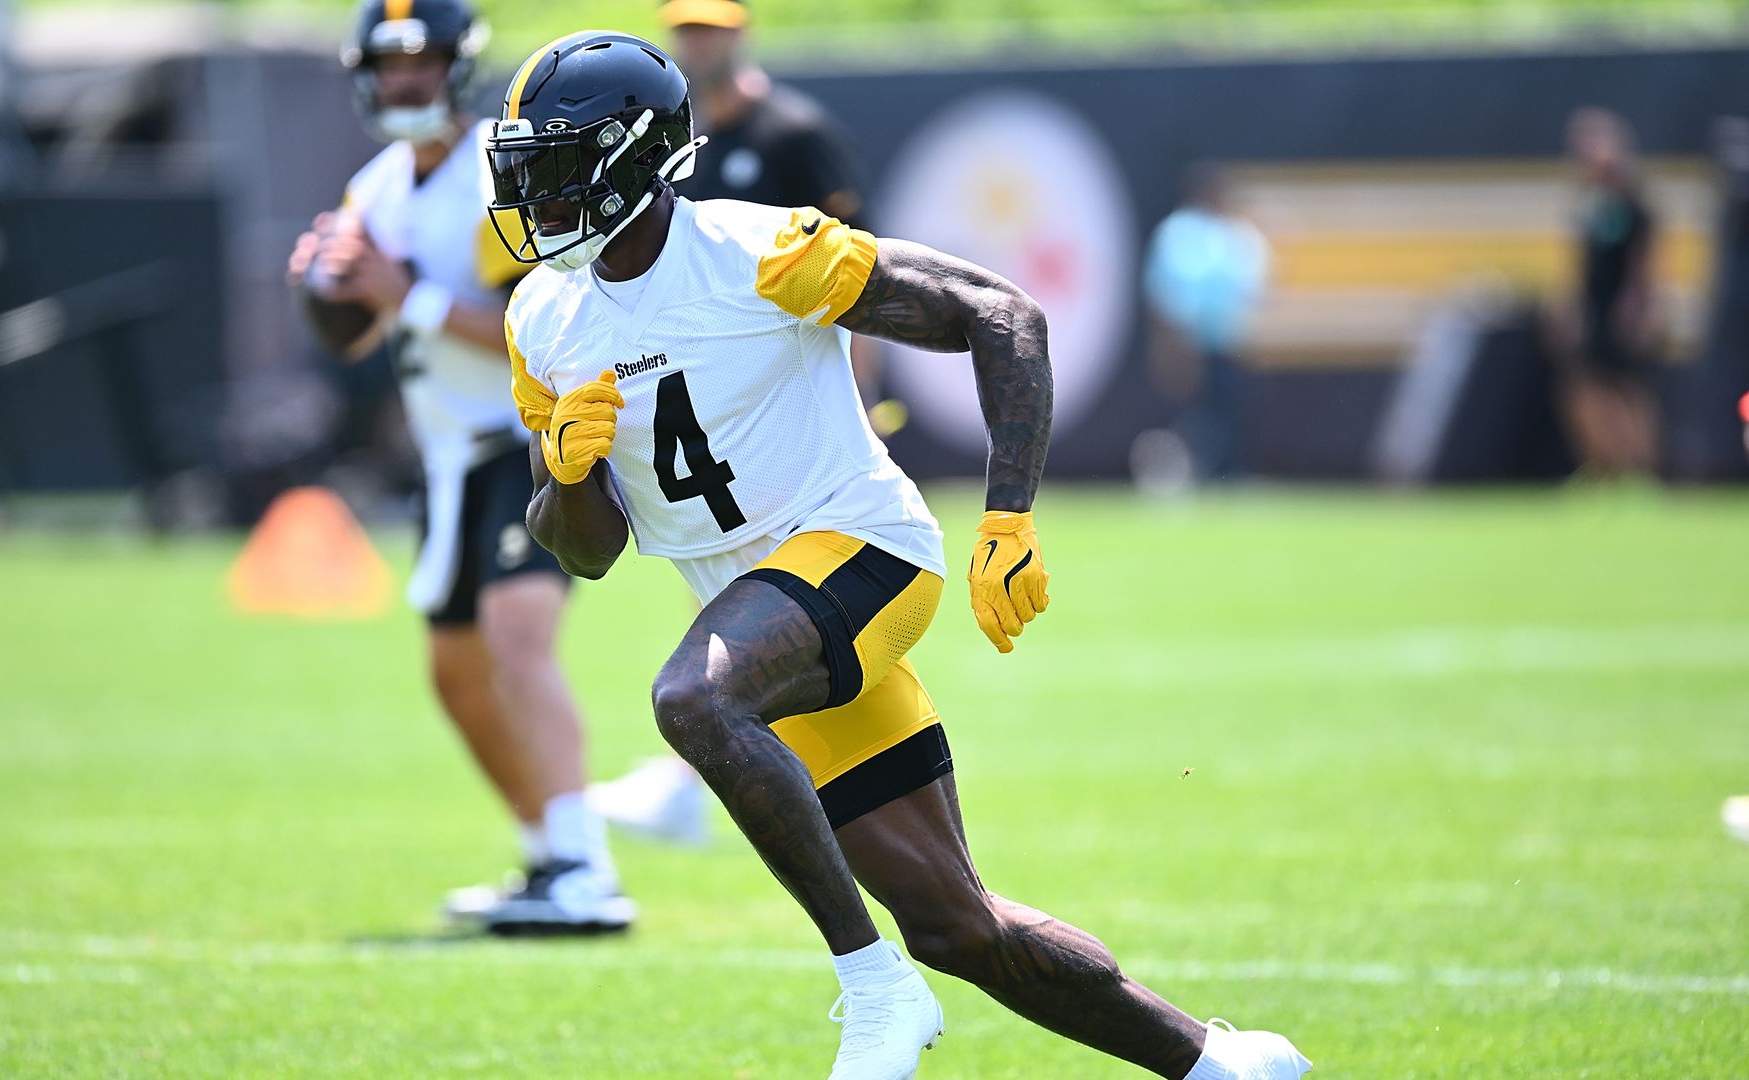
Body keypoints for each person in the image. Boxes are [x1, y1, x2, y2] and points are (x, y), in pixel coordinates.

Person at [488, 31, 1310, 1079]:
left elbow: (1000, 313)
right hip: (758, 617)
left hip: (862, 552)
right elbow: (587, 551)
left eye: (556, 164)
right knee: (957, 924)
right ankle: (1217, 1063)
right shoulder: (542, 317)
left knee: (691, 700)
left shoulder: (757, 251)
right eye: (524, 168)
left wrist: (1008, 518)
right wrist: (566, 474)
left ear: (633, 157)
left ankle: (871, 985)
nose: (534, 195)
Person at [285, 0, 629, 935]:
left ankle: (588, 870)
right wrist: (326, 289)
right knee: (457, 675)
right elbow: (358, 333)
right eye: (389, 64)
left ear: (456, 67)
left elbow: (537, 325)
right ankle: (547, 853)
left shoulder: (497, 172)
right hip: (447, 457)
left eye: (422, 60)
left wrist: (406, 296)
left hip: (531, 439)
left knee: (516, 639)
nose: (405, 79)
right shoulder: (373, 189)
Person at [589, 0, 892, 843]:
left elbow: (861, 276)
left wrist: (863, 399)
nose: (698, 42)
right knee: (732, 581)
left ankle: (701, 781)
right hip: (713, 408)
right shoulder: (667, 145)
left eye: (712, 28)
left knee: (785, 604)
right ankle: (713, 775)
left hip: (791, 403)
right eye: (686, 28)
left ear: (741, 32)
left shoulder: (794, 133)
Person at [1142, 163, 1269, 483]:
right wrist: (1172, 338)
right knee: (1193, 407)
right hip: (1188, 340)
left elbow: (1251, 285)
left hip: (1225, 340)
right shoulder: (1180, 231)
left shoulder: (1232, 233)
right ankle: (1180, 470)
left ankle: (1222, 470)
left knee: (1224, 408)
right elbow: (1167, 288)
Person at [1554, 107, 1661, 479]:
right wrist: (1572, 306)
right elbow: (1580, 267)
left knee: (1628, 390)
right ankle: (1603, 467)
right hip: (1594, 309)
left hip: (1621, 309)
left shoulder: (1634, 207)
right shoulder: (1589, 206)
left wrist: (1638, 308)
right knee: (1584, 391)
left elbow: (1641, 266)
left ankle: (1641, 468)